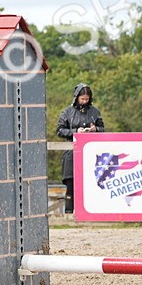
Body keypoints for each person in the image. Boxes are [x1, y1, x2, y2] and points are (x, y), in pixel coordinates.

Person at [56, 83, 105, 214]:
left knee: (90, 183)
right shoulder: (67, 112)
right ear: (76, 97)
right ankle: (68, 212)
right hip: (71, 153)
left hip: (90, 153)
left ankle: (91, 212)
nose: (84, 101)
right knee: (71, 184)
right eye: (82, 99)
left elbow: (102, 129)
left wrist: (95, 130)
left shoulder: (95, 112)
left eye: (86, 99)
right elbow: (60, 130)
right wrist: (76, 131)